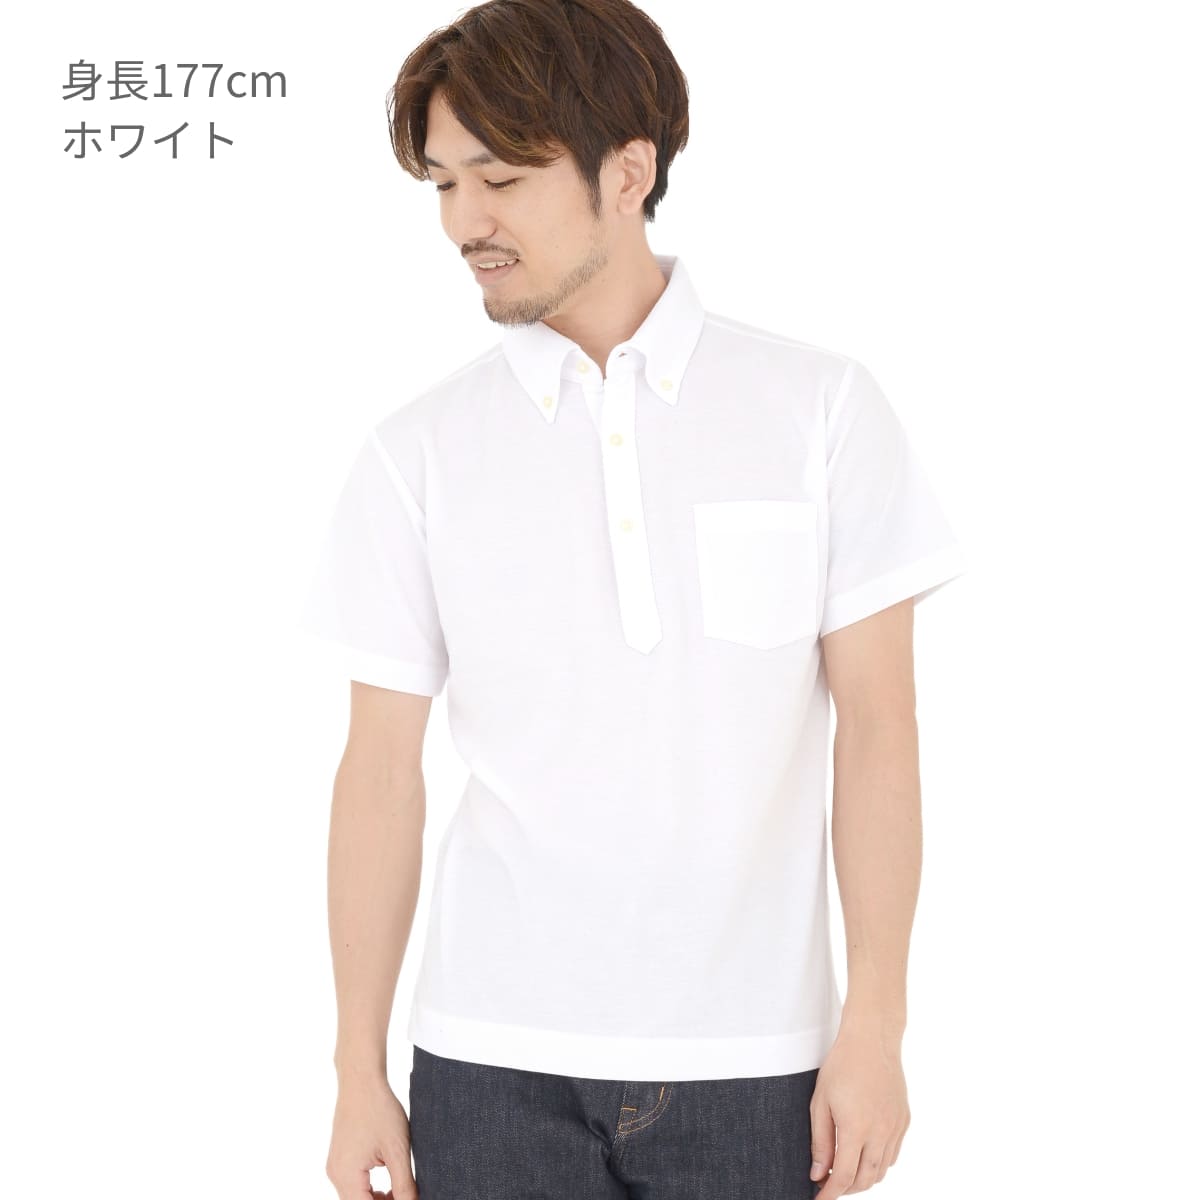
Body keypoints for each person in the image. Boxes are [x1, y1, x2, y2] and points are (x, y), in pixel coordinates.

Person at [300, 1, 968, 1197]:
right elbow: (379, 773)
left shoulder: (820, 410)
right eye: (444, 184)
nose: (464, 222)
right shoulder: (417, 452)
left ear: (628, 171)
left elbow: (880, 729)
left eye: (501, 179)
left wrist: (876, 1025)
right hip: (488, 1059)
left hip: (759, 1062)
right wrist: (358, 1067)